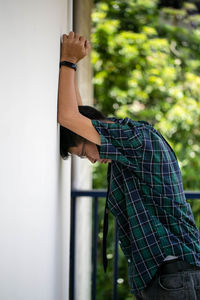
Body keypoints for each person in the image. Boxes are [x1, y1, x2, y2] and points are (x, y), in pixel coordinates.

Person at [57, 31, 200, 299]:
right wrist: (72, 67)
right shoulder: (123, 144)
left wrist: (68, 61)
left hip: (175, 275)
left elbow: (67, 118)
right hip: (164, 277)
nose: (92, 159)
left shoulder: (134, 140)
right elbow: (75, 116)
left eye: (84, 153)